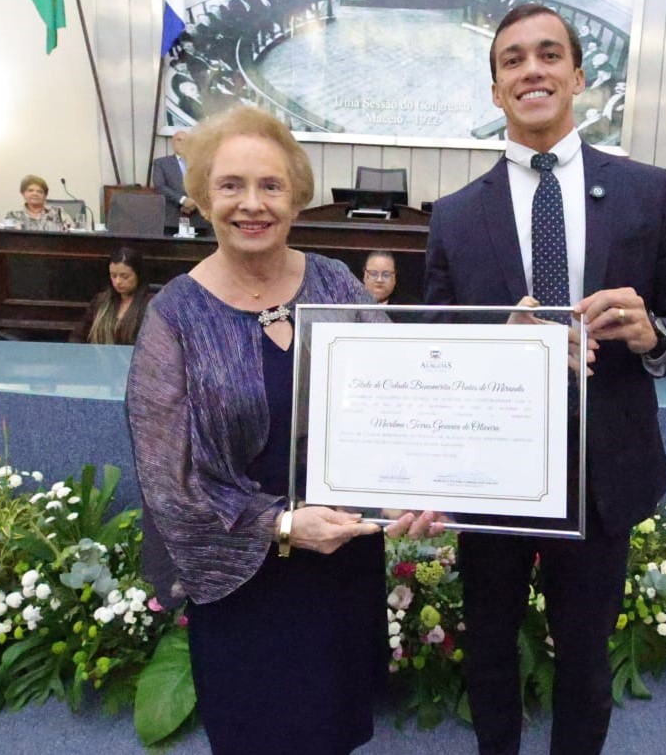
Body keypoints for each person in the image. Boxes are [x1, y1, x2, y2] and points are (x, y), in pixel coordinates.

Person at [424, 4, 666, 755]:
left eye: (548, 55)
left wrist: (654, 333)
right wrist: (497, 342)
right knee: (488, 654)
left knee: (585, 665)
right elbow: (433, 345)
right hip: (490, 474)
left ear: (578, 77)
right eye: (513, 59)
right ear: (495, 90)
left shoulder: (646, 190)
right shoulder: (454, 215)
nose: (532, 70)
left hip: (602, 471)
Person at [125, 105, 439, 755]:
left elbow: (402, 399)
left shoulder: (336, 285)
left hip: (341, 569)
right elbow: (167, 479)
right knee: (255, 732)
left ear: (295, 196)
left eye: (270, 185)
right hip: (244, 577)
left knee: (333, 729)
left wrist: (417, 484)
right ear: (202, 196)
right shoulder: (174, 314)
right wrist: (283, 523)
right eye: (230, 185)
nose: (251, 204)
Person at [69, 246, 150, 344]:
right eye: (113, 275)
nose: (118, 281)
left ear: (138, 275)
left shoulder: (151, 305)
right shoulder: (100, 301)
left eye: (125, 276)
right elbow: (78, 336)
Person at [152, 130, 209, 235]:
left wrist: (194, 202)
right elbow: (160, 186)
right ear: (172, 143)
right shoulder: (161, 163)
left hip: (199, 218)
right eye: (179, 140)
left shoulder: (200, 164)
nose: (183, 143)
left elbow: (207, 185)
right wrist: (182, 200)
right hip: (172, 218)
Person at [362, 250, 418, 321]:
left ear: (394, 278)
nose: (379, 280)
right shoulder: (351, 304)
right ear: (364, 275)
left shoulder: (410, 310)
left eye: (386, 275)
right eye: (373, 274)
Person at [5, 175, 75, 231]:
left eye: (39, 191)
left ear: (45, 196)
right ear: (23, 193)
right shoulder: (13, 216)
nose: (35, 194)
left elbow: (73, 233)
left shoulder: (58, 213)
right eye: (30, 190)